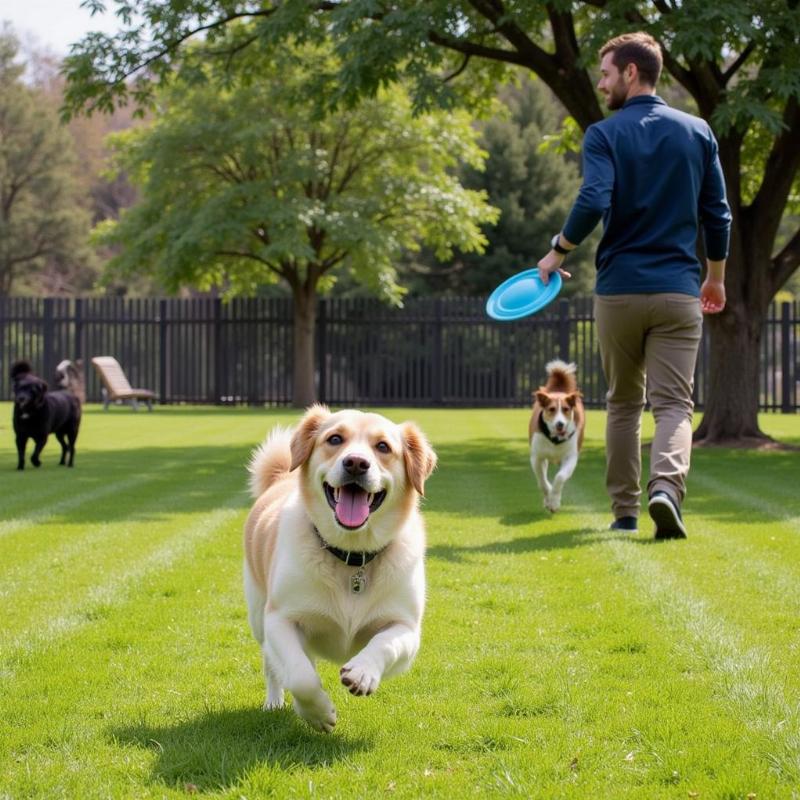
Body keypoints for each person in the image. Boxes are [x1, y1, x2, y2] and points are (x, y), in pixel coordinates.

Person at [537, 31, 731, 539]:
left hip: (619, 290)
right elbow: (718, 214)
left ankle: (624, 511)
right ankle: (665, 489)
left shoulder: (604, 135)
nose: (599, 84)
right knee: (674, 406)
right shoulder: (698, 132)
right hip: (677, 290)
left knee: (624, 402)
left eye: (604, 73)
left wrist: (558, 250)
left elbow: (595, 198)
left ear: (629, 72)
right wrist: (715, 277)